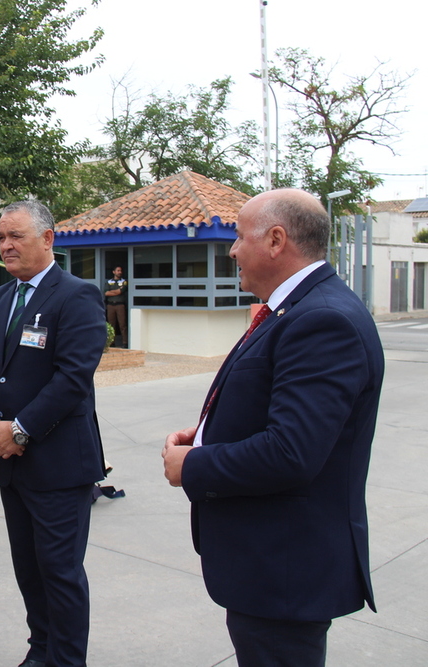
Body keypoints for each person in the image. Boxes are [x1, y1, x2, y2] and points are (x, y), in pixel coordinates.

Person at [162, 189, 385, 666]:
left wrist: (195, 464)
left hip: (285, 572)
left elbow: (292, 451)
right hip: (271, 568)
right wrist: (204, 435)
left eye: (241, 237)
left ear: (277, 240)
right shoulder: (295, 309)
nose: (232, 250)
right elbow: (275, 408)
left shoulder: (321, 319)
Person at [0, 200, 106, 667]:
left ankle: (66, 661)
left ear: (47, 239)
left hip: (59, 466)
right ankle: (40, 649)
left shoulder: (77, 295)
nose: (5, 246)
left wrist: (20, 430)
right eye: (1, 238)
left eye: (16, 236)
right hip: (9, 463)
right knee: (29, 570)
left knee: (60, 574)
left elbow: (72, 378)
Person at [103, 266, 127, 347]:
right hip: (110, 305)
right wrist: (116, 291)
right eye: (118, 270)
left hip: (120, 305)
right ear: (114, 272)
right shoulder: (109, 282)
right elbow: (106, 293)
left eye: (120, 270)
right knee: (111, 324)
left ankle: (124, 343)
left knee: (122, 324)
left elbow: (121, 291)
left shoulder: (124, 282)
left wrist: (112, 291)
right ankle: (111, 343)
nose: (120, 272)